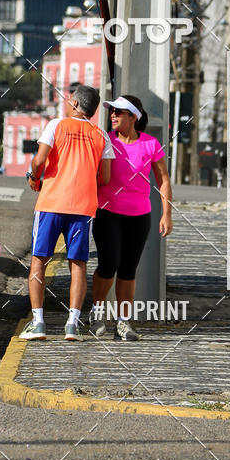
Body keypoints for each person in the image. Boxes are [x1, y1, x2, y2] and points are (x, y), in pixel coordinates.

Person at [20, 84, 115, 342]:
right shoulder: (100, 134)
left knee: (39, 260)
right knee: (79, 265)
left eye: (68, 100)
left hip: (51, 202)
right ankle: (72, 325)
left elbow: (39, 160)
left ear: (74, 103)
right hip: (83, 208)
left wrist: (33, 178)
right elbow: (105, 177)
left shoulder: (56, 125)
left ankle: (38, 323)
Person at [91, 95, 173, 341]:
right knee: (109, 264)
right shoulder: (106, 141)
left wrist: (167, 214)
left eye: (119, 112)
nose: (113, 115)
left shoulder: (150, 144)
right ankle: (96, 312)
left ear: (133, 116)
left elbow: (164, 179)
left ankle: (123, 322)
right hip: (107, 212)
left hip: (139, 216)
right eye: (112, 111)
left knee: (128, 269)